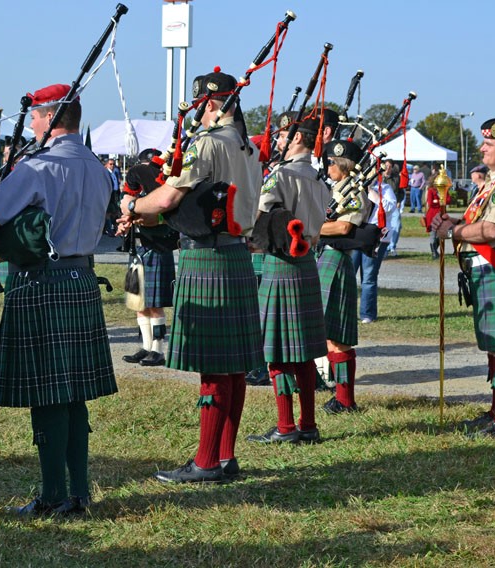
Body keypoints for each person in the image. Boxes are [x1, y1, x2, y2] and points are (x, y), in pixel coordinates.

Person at [0, 83, 117, 515]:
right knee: (73, 393)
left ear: (51, 117)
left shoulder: (37, 167)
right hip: (82, 278)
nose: (30, 122)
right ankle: (80, 492)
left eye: (35, 115)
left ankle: (53, 496)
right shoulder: (98, 167)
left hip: (41, 283)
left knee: (49, 394)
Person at [120, 68, 264, 482]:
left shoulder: (207, 144)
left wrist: (131, 208)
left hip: (208, 256)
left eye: (199, 104)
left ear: (211, 103)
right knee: (233, 366)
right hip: (236, 253)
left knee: (214, 367)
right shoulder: (249, 147)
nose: (196, 113)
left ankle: (205, 463)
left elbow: (168, 197)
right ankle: (224, 457)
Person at [432, 117, 495, 439]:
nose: (482, 148)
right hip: (489, 270)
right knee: (494, 345)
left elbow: (492, 230)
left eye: (488, 144)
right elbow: (481, 220)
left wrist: (454, 230)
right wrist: (456, 221)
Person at [247, 111, 330, 445]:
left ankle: (285, 427)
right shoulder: (319, 177)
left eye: (282, 134)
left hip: (280, 262)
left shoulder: (281, 175)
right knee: (305, 351)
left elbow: (258, 215)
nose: (278, 139)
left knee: (277, 351)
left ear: (297, 138)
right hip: (307, 261)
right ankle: (308, 424)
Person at [317, 140, 371, 413]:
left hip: (336, 259)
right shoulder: (335, 190)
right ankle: (340, 395)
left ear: (344, 165)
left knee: (336, 335)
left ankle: (345, 399)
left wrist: (310, 226)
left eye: (332, 163)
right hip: (325, 257)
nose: (329, 167)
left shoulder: (355, 192)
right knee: (329, 333)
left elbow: (343, 226)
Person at [119, 148, 176, 368]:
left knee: (155, 304)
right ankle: (145, 346)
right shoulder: (134, 191)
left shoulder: (165, 189)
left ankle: (158, 349)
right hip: (138, 248)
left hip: (158, 248)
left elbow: (168, 215)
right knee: (139, 303)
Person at [351, 171, 398, 323]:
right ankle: (347, 310)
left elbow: (389, 207)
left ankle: (367, 314)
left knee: (369, 277)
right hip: (356, 235)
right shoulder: (355, 188)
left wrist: (372, 192)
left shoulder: (385, 189)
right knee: (349, 274)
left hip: (377, 238)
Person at [424, 174, 451, 260]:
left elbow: (448, 200)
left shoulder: (445, 190)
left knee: (441, 234)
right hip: (432, 214)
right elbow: (431, 202)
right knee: (433, 233)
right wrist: (440, 201)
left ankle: (435, 249)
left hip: (442, 214)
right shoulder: (431, 190)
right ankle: (433, 252)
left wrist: (438, 201)